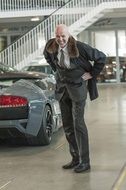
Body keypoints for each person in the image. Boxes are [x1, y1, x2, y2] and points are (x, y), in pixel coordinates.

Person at [43, 24, 106, 173]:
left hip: (78, 88)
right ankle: (75, 158)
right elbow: (47, 56)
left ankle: (85, 162)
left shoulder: (80, 47)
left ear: (69, 35)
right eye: (58, 36)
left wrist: (92, 74)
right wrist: (56, 70)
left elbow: (101, 57)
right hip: (62, 89)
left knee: (78, 124)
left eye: (63, 36)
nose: (60, 39)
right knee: (68, 126)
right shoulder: (51, 45)